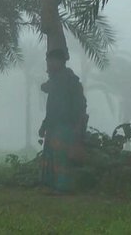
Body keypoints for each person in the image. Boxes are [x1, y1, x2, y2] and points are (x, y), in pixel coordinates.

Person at [39, 48, 88, 193]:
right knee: (51, 156)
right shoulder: (57, 80)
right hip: (54, 125)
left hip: (66, 125)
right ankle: (52, 185)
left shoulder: (70, 81)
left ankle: (62, 187)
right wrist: (44, 125)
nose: (48, 65)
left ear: (60, 62)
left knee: (61, 157)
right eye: (48, 62)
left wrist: (79, 127)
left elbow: (81, 106)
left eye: (51, 61)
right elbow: (52, 106)